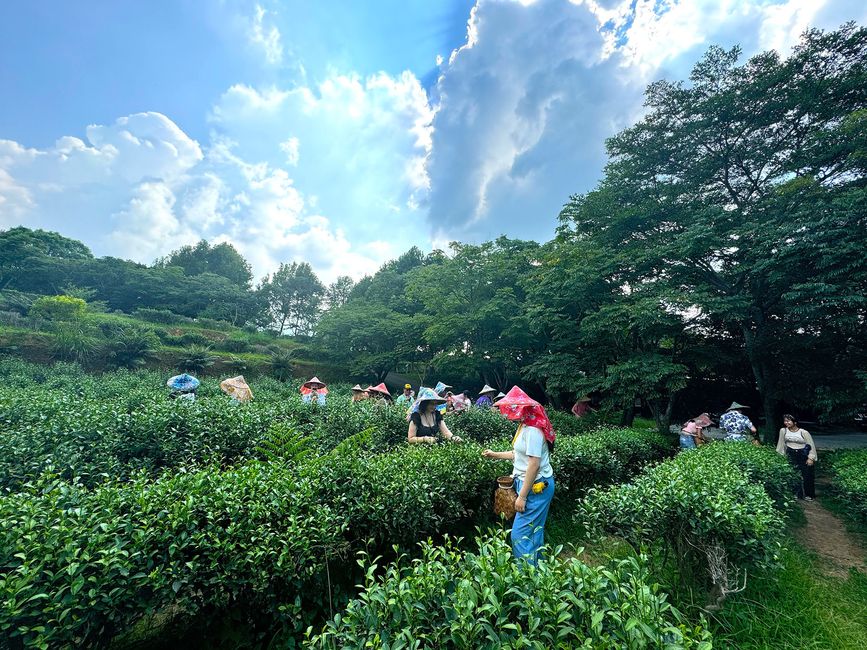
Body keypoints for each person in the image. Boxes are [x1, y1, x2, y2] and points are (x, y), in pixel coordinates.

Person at [482, 386, 555, 566]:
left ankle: (527, 579)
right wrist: (495, 454)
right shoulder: (524, 426)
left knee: (519, 535)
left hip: (536, 487)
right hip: (528, 483)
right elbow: (519, 455)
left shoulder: (533, 431)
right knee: (534, 530)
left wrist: (521, 496)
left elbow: (534, 464)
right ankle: (539, 571)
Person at [776, 414, 818, 500]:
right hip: (790, 453)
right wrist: (780, 456)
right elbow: (781, 444)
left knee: (807, 475)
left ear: (795, 422)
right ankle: (796, 494)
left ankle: (808, 494)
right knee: (793, 474)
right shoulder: (783, 431)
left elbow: (810, 445)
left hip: (803, 454)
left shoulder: (804, 432)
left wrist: (811, 458)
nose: (786, 422)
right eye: (785, 421)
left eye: (789, 420)